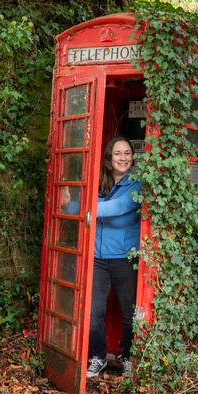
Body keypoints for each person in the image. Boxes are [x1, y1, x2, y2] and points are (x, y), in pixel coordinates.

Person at [61, 136, 142, 378]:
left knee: (129, 313)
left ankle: (127, 356)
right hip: (97, 258)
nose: (123, 158)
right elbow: (77, 208)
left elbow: (118, 211)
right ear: (109, 158)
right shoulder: (99, 184)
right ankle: (98, 356)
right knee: (92, 312)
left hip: (124, 259)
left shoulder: (136, 185)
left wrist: (84, 204)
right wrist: (68, 204)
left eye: (127, 153)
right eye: (118, 153)